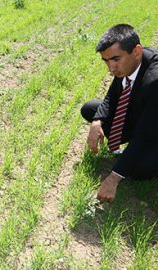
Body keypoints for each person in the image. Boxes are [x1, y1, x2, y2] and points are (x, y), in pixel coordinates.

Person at [81, 24, 158, 202]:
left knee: (140, 171)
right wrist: (97, 121)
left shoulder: (155, 81)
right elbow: (112, 95)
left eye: (115, 59)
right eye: (106, 61)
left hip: (153, 130)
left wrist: (114, 177)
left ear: (137, 51)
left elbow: (144, 134)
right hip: (140, 114)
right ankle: (126, 151)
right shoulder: (130, 63)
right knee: (91, 109)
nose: (111, 68)